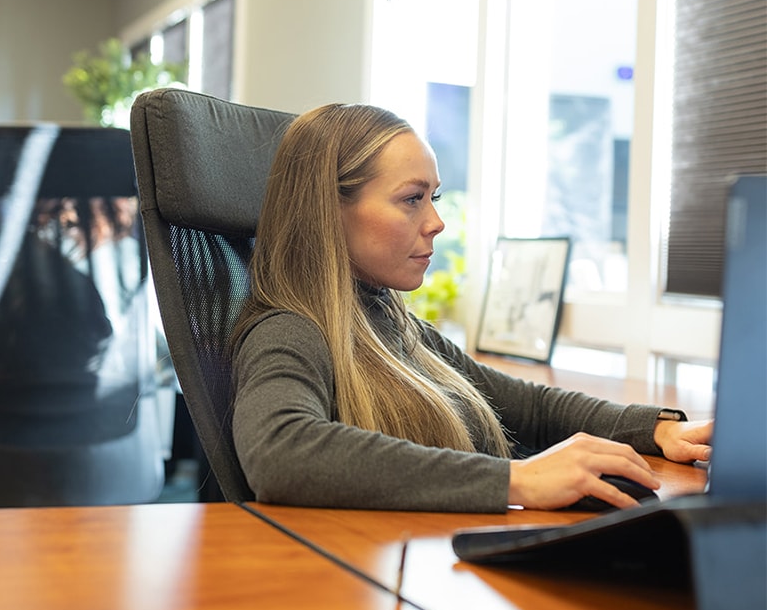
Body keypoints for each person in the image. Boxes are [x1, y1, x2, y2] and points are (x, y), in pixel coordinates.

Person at [230, 103, 712, 512]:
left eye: (433, 197)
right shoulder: (288, 328)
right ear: (327, 210)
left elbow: (527, 406)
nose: (436, 221)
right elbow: (279, 449)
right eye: (412, 199)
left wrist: (659, 429)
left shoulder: (392, 325)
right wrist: (517, 480)